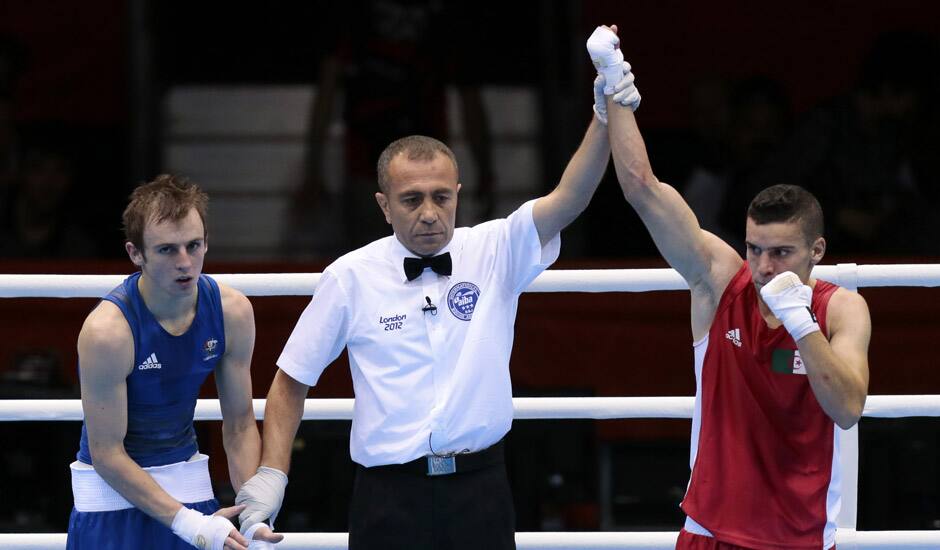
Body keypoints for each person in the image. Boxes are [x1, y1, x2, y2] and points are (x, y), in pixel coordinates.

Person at [235, 67, 640, 548]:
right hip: (386, 493)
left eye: (440, 197)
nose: (429, 212)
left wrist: (602, 114)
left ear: (457, 196)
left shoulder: (495, 248)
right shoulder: (350, 276)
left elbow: (570, 198)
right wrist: (272, 475)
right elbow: (289, 382)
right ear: (384, 206)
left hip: (480, 487)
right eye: (411, 199)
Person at [587, 25, 871, 549]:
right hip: (710, 534)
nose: (763, 266)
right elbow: (643, 191)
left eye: (781, 253)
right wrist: (613, 86)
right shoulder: (721, 282)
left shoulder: (841, 311)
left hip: (800, 539)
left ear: (817, 252)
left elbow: (848, 408)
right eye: (754, 248)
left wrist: (799, 321)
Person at [66, 175, 282, 549]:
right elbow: (106, 453)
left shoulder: (231, 312)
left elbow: (240, 425)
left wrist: (252, 512)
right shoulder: (108, 332)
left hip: (188, 484)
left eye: (193, 245)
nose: (185, 262)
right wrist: (186, 522)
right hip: (110, 498)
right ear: (136, 253)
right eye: (167, 250)